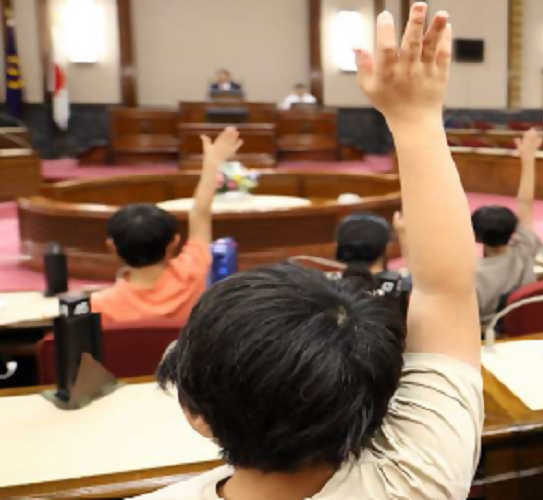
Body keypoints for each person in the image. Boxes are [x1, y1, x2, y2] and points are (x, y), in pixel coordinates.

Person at [136, 6, 484, 499]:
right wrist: (417, 119)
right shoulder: (420, 479)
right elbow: (445, 290)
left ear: (196, 416)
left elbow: (444, 290)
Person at [91, 128, 240, 323]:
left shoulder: (100, 305)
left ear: (112, 247)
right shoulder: (193, 272)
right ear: (174, 243)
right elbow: (200, 212)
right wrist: (213, 162)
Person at [473, 128, 543, 326]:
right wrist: (528, 159)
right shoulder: (525, 249)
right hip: (523, 327)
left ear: (475, 237)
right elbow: (525, 204)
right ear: (514, 232)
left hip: (486, 335)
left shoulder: (470, 273)